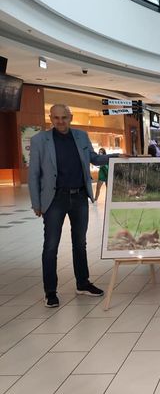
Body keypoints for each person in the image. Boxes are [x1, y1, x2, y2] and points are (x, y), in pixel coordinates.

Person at [29, 104, 116, 308]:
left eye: (64, 117)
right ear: (51, 118)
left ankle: (83, 283)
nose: (60, 121)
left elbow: (94, 159)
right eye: (56, 117)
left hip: (79, 197)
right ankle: (50, 291)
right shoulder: (40, 140)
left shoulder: (81, 136)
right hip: (54, 200)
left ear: (71, 117)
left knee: (80, 243)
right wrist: (36, 203)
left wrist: (116, 157)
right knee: (50, 246)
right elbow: (33, 174)